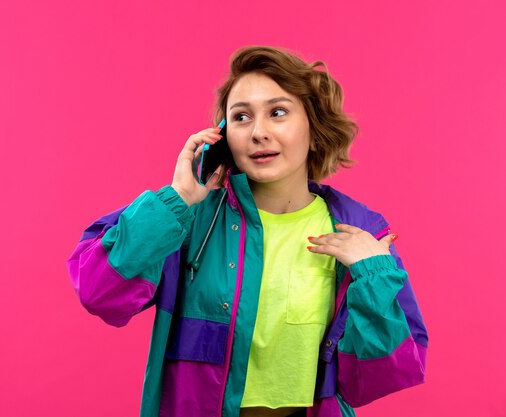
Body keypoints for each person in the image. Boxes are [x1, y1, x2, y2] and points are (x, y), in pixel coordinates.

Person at [65, 45, 428, 417]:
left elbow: (380, 377)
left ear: (313, 126)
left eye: (278, 112)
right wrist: (177, 199)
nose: (258, 132)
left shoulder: (360, 234)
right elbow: (98, 290)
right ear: (222, 137)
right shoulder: (188, 222)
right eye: (241, 117)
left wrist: (373, 279)